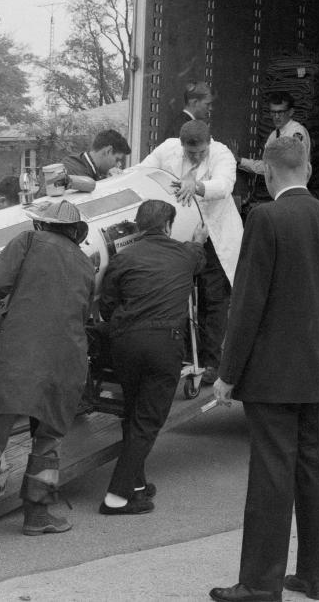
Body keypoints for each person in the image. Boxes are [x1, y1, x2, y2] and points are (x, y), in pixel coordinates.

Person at [207, 136, 319, 602]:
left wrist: (228, 374)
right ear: (308, 170)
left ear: (269, 174)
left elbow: (248, 304)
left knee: (272, 476)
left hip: (272, 379)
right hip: (318, 376)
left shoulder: (265, 218)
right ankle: (314, 577)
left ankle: (259, 583)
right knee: (314, 473)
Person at [0, 200, 95, 543]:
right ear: (75, 233)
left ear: (43, 225)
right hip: (65, 361)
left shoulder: (27, 241)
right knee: (48, 440)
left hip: (19, 354)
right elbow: (84, 312)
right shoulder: (85, 263)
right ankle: (37, 517)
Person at [97, 200, 207, 515]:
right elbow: (199, 254)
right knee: (148, 421)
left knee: (133, 413)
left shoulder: (122, 258)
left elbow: (106, 306)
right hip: (164, 345)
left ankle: (136, 485)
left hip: (125, 344)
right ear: (169, 226)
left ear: (139, 226)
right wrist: (198, 238)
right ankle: (116, 497)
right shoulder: (186, 255)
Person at [137, 120, 243, 384]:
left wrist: (195, 185)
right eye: (190, 153)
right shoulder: (168, 148)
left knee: (214, 300)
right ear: (181, 145)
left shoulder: (222, 154)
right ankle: (182, 355)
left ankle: (212, 363)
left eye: (200, 152)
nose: (195, 157)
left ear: (210, 142)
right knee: (179, 294)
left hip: (214, 237)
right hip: (182, 234)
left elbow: (224, 186)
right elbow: (142, 171)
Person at [238, 91, 312, 179]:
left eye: (280, 112)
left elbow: (291, 164)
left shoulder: (297, 132)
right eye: (273, 112)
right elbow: (266, 167)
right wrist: (240, 161)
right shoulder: (273, 135)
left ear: (291, 112)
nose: (276, 117)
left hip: (293, 187)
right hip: (279, 187)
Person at [59, 129, 131, 184]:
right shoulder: (74, 170)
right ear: (108, 151)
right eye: (117, 159)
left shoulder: (87, 167)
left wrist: (106, 178)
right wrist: (110, 183)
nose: (119, 165)